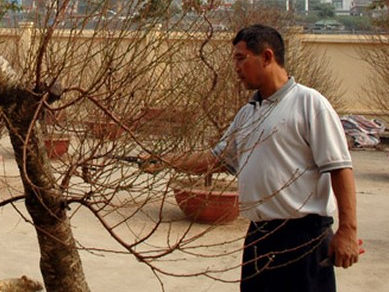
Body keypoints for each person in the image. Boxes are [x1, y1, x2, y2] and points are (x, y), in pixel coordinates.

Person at [146, 24, 361, 291]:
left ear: (267, 57)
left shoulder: (310, 104)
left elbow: (340, 169)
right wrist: (164, 160)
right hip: (259, 236)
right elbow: (216, 159)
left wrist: (348, 231)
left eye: (240, 58)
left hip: (303, 236)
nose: (235, 67)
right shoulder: (247, 115)